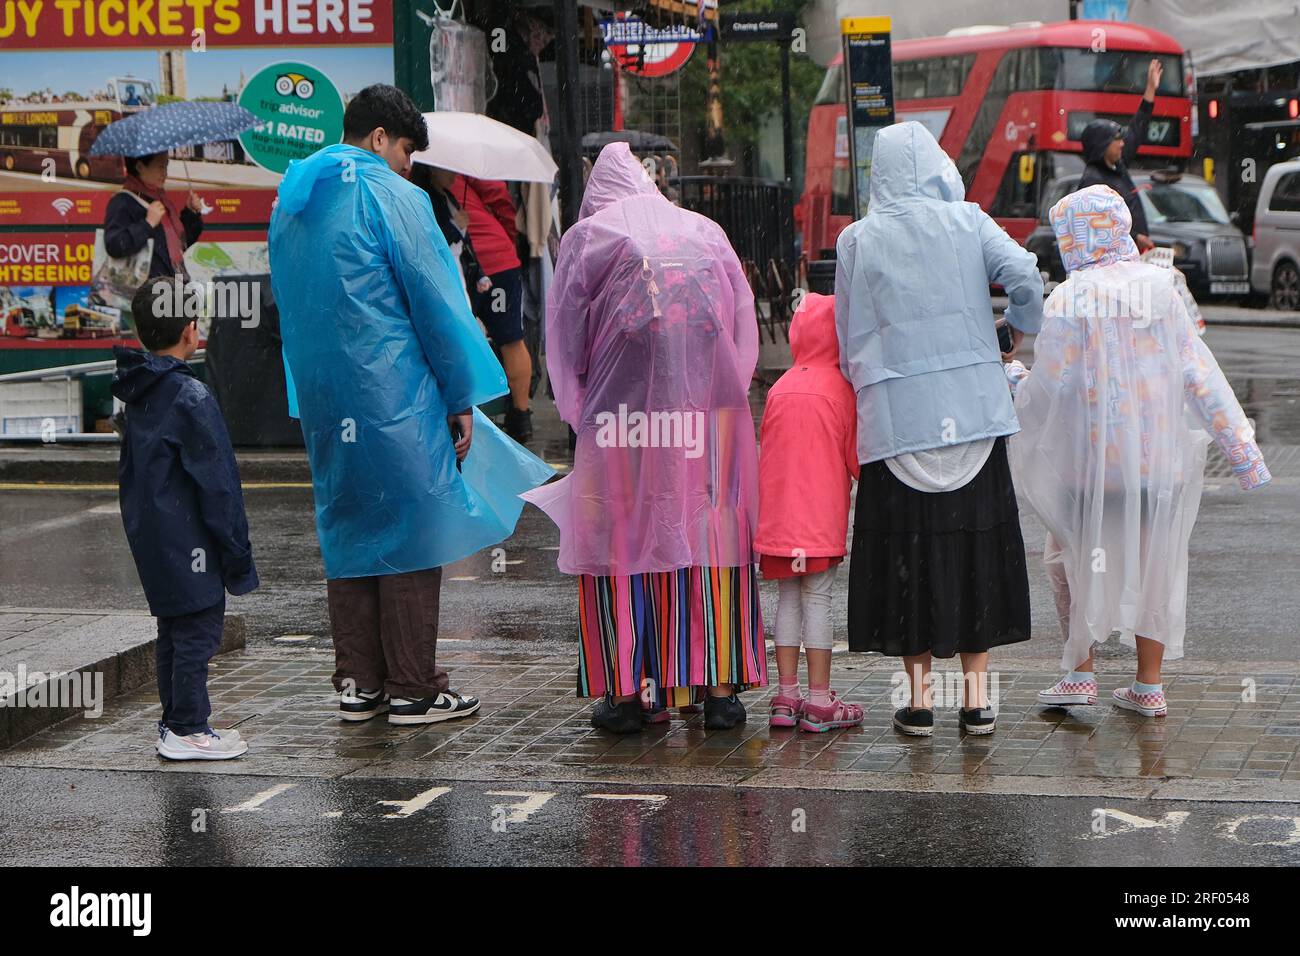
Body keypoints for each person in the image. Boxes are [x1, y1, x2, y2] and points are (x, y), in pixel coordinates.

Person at [268, 84, 550, 727]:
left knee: (349, 530)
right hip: (393, 392)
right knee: (412, 530)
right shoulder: (395, 196)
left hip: (324, 397)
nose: (408, 166)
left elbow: (291, 304)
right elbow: (436, 302)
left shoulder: (291, 200)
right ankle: (415, 688)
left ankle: (360, 685)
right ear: (377, 139)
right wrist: (460, 395)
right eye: (403, 152)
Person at [523, 142, 766, 733]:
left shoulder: (588, 238)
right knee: (710, 537)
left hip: (621, 428)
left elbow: (564, 341)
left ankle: (628, 692)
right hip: (707, 423)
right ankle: (718, 691)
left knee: (623, 542)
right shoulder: (706, 231)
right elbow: (742, 322)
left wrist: (581, 414)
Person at [1008, 185, 1270, 718]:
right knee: (1157, 562)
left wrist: (1015, 379)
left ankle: (1080, 671)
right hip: (1156, 464)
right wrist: (1244, 452)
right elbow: (1200, 372)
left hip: (1088, 465)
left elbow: (1051, 388)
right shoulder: (1163, 289)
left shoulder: (1069, 297)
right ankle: (1148, 684)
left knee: (1070, 558)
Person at [835, 121, 1043, 738]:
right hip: (974, 415)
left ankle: (919, 700)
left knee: (909, 553)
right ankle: (977, 700)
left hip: (897, 422)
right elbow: (1026, 275)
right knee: (975, 548)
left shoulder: (856, 241)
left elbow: (850, 334)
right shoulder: (970, 221)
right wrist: (1016, 331)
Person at [113, 277, 259, 760]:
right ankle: (190, 728)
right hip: (192, 541)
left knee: (174, 631)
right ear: (192, 330)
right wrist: (236, 553)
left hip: (155, 538)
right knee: (198, 630)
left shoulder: (138, 392)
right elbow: (219, 486)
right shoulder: (190, 397)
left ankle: (177, 724)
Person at [754, 292, 862, 733]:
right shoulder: (841, 390)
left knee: (788, 600)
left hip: (778, 521)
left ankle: (785, 695)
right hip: (820, 521)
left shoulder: (779, 389)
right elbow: (856, 459)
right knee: (818, 599)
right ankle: (820, 699)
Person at [456, 174, 534, 442]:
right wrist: (507, 237)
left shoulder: (422, 170)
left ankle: (466, 415)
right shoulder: (468, 162)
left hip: (464, 261)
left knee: (459, 342)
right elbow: (499, 198)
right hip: (499, 257)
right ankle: (521, 416)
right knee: (511, 338)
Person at [1078, 58, 1164, 253]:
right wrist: (1135, 237)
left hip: (1131, 255)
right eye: (1116, 140)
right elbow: (1099, 225)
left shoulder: (1118, 164)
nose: (1122, 143)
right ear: (1101, 145)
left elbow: (1137, 129)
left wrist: (1150, 89)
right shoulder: (1092, 182)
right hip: (1114, 262)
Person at [104, 152, 205, 279]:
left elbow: (181, 245)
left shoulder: (161, 200)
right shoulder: (122, 202)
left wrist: (191, 213)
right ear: (140, 166)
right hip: (146, 291)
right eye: (160, 167)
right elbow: (115, 246)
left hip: (173, 283)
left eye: (166, 166)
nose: (165, 173)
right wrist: (147, 224)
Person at [409, 162, 491, 309]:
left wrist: (480, 273)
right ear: (433, 169)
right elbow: (431, 240)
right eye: (448, 169)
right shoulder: (427, 199)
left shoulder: (449, 196)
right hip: (441, 268)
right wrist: (455, 226)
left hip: (457, 266)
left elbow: (466, 242)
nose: (454, 174)